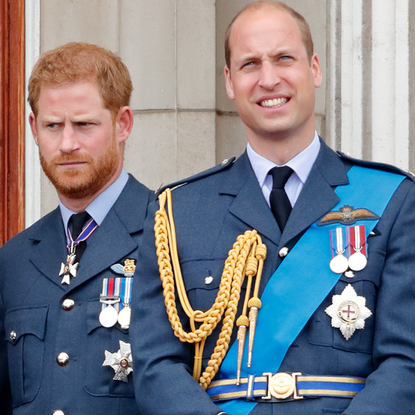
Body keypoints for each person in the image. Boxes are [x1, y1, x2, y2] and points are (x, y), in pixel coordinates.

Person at [131, 1, 415, 415]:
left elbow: (406, 361)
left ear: (314, 69)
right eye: (250, 64)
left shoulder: (394, 200)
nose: (268, 78)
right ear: (230, 82)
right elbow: (156, 367)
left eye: (284, 58)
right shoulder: (177, 212)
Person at [0, 42, 151, 415]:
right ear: (34, 129)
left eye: (84, 124)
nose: (67, 143)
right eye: (53, 125)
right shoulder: (14, 258)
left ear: (123, 124)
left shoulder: (169, 235)